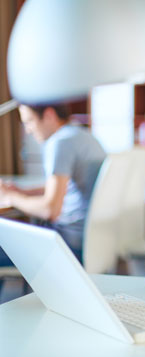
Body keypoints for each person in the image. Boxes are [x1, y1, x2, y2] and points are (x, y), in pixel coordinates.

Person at [0, 104, 106, 264]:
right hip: (93, 240)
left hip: (67, 244)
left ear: (49, 115)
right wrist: (23, 192)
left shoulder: (61, 142)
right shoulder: (83, 136)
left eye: (29, 121)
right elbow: (66, 187)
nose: (28, 130)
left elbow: (50, 209)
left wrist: (11, 198)